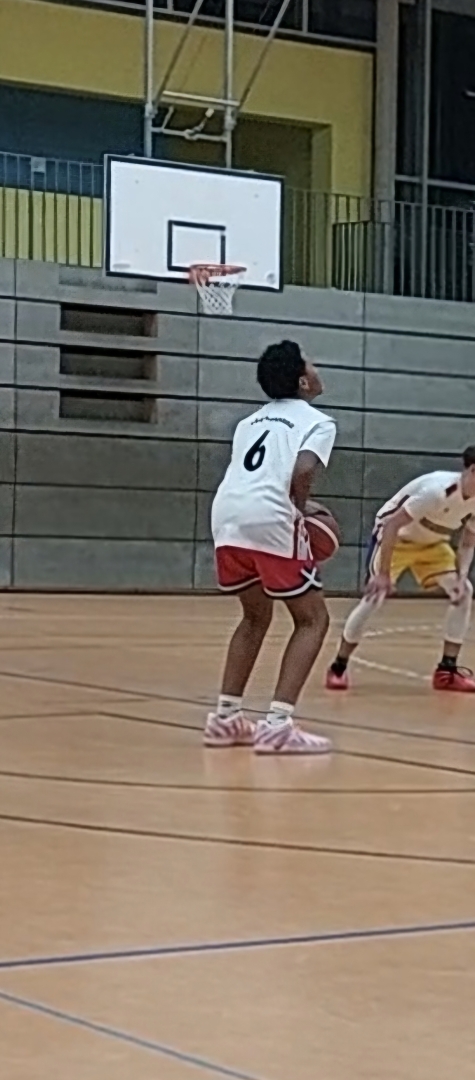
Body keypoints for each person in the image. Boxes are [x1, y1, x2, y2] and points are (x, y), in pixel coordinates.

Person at [204, 340, 337, 754]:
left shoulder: (248, 423)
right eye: (311, 364)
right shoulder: (318, 421)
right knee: (313, 620)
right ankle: (278, 725)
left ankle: (225, 719)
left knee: (254, 616)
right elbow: (303, 470)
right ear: (303, 381)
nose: (317, 369)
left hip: (227, 517)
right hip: (270, 517)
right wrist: (301, 509)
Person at [326, 449, 475, 692]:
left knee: (464, 592)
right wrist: (383, 575)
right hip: (396, 539)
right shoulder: (436, 491)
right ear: (472, 471)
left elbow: (469, 539)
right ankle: (338, 667)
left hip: (433, 543)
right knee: (374, 598)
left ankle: (447, 671)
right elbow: (392, 525)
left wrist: (461, 576)